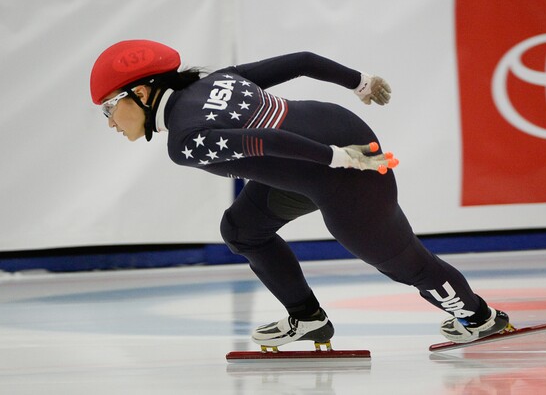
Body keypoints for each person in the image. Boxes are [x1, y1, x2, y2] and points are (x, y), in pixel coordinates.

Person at [89, 39, 510, 348]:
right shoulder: (213, 80)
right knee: (241, 229)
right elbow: (302, 61)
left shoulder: (183, 141)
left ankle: (478, 317)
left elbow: (261, 141)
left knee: (403, 262)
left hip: (337, 168)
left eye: (109, 108)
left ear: (141, 93)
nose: (110, 122)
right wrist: (359, 82)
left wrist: (336, 159)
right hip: (326, 142)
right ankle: (307, 318)